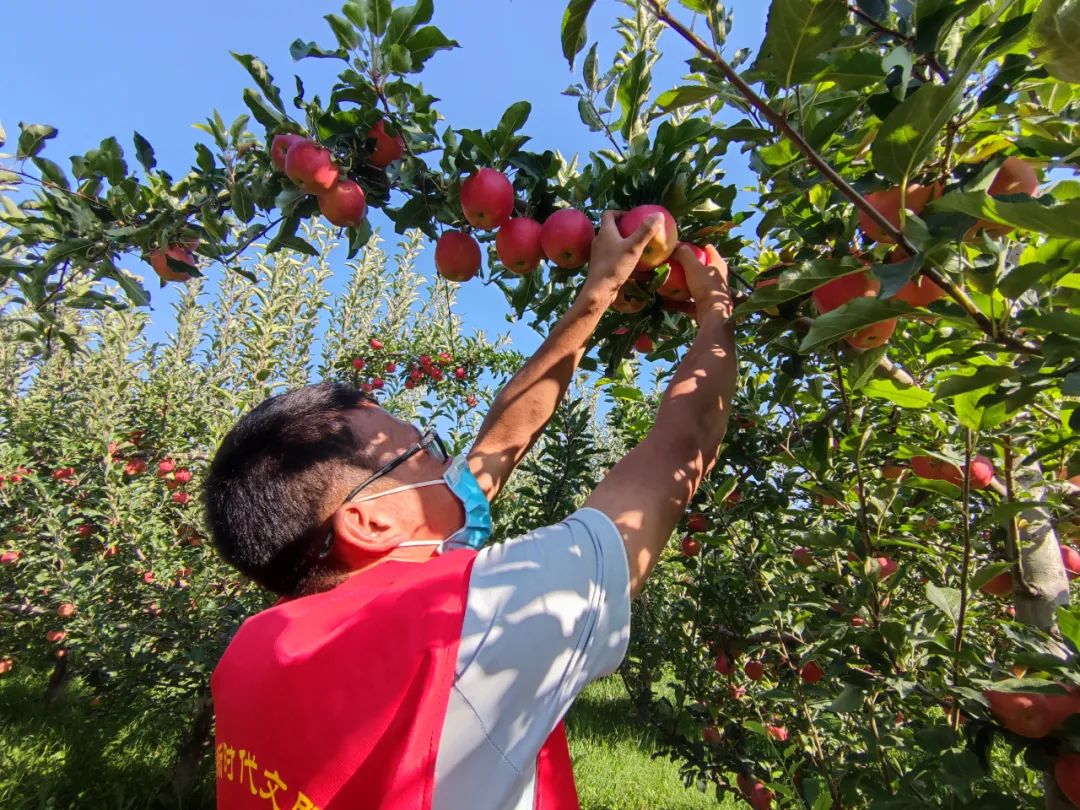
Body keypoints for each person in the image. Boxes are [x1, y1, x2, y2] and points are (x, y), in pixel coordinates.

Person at [204, 210, 737, 810]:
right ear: (371, 522)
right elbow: (683, 445)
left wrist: (597, 296)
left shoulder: (251, 651)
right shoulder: (468, 623)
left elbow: (498, 443)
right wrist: (716, 307)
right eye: (421, 450)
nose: (446, 459)